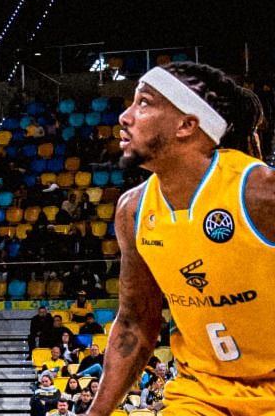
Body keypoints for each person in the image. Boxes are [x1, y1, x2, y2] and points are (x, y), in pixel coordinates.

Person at [89, 63, 275, 416]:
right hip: (200, 394)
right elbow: (135, 322)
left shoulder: (258, 194)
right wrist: (95, 414)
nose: (125, 117)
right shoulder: (133, 211)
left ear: (187, 125)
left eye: (144, 103)